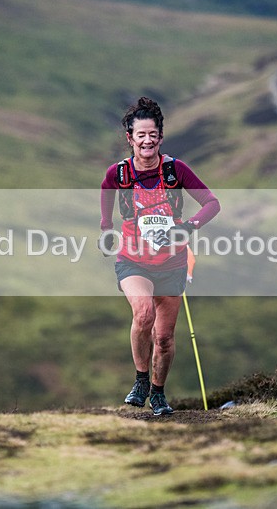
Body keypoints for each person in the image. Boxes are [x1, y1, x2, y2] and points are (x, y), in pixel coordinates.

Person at [99, 97, 220, 416]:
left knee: (164, 338)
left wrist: (188, 227)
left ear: (161, 137)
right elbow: (107, 189)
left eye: (152, 134)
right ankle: (140, 381)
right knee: (143, 314)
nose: (147, 140)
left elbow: (211, 203)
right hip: (133, 260)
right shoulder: (119, 173)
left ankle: (158, 393)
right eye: (141, 135)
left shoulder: (175, 170)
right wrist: (106, 227)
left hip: (172, 263)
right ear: (130, 138)